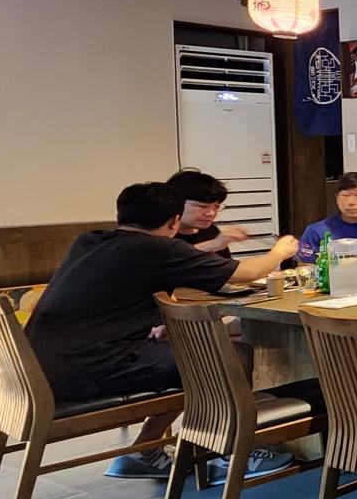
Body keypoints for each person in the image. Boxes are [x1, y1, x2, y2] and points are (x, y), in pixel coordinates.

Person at [25, 182, 300, 479]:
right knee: (231, 357)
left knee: (205, 354)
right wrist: (279, 251)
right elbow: (247, 273)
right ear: (174, 221)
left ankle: (145, 450)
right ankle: (232, 454)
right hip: (90, 369)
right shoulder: (156, 248)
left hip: (44, 367)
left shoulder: (90, 240)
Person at [166, 168, 250, 259]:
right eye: (202, 206)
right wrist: (214, 244)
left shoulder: (211, 230)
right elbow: (166, 260)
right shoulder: (161, 234)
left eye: (216, 206)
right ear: (176, 203)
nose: (211, 213)